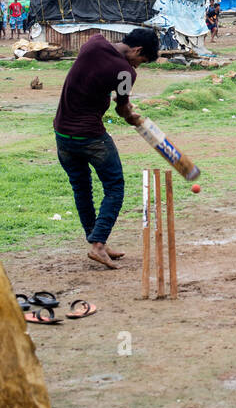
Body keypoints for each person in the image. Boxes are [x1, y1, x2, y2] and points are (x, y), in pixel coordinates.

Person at [54, 27, 158, 269]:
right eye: (141, 61)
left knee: (81, 188)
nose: (138, 67)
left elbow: (95, 78)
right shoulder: (125, 72)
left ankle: (97, 240)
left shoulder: (93, 42)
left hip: (62, 132)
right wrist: (132, 116)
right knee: (115, 186)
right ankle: (98, 244)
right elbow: (122, 109)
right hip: (90, 136)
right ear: (138, 50)